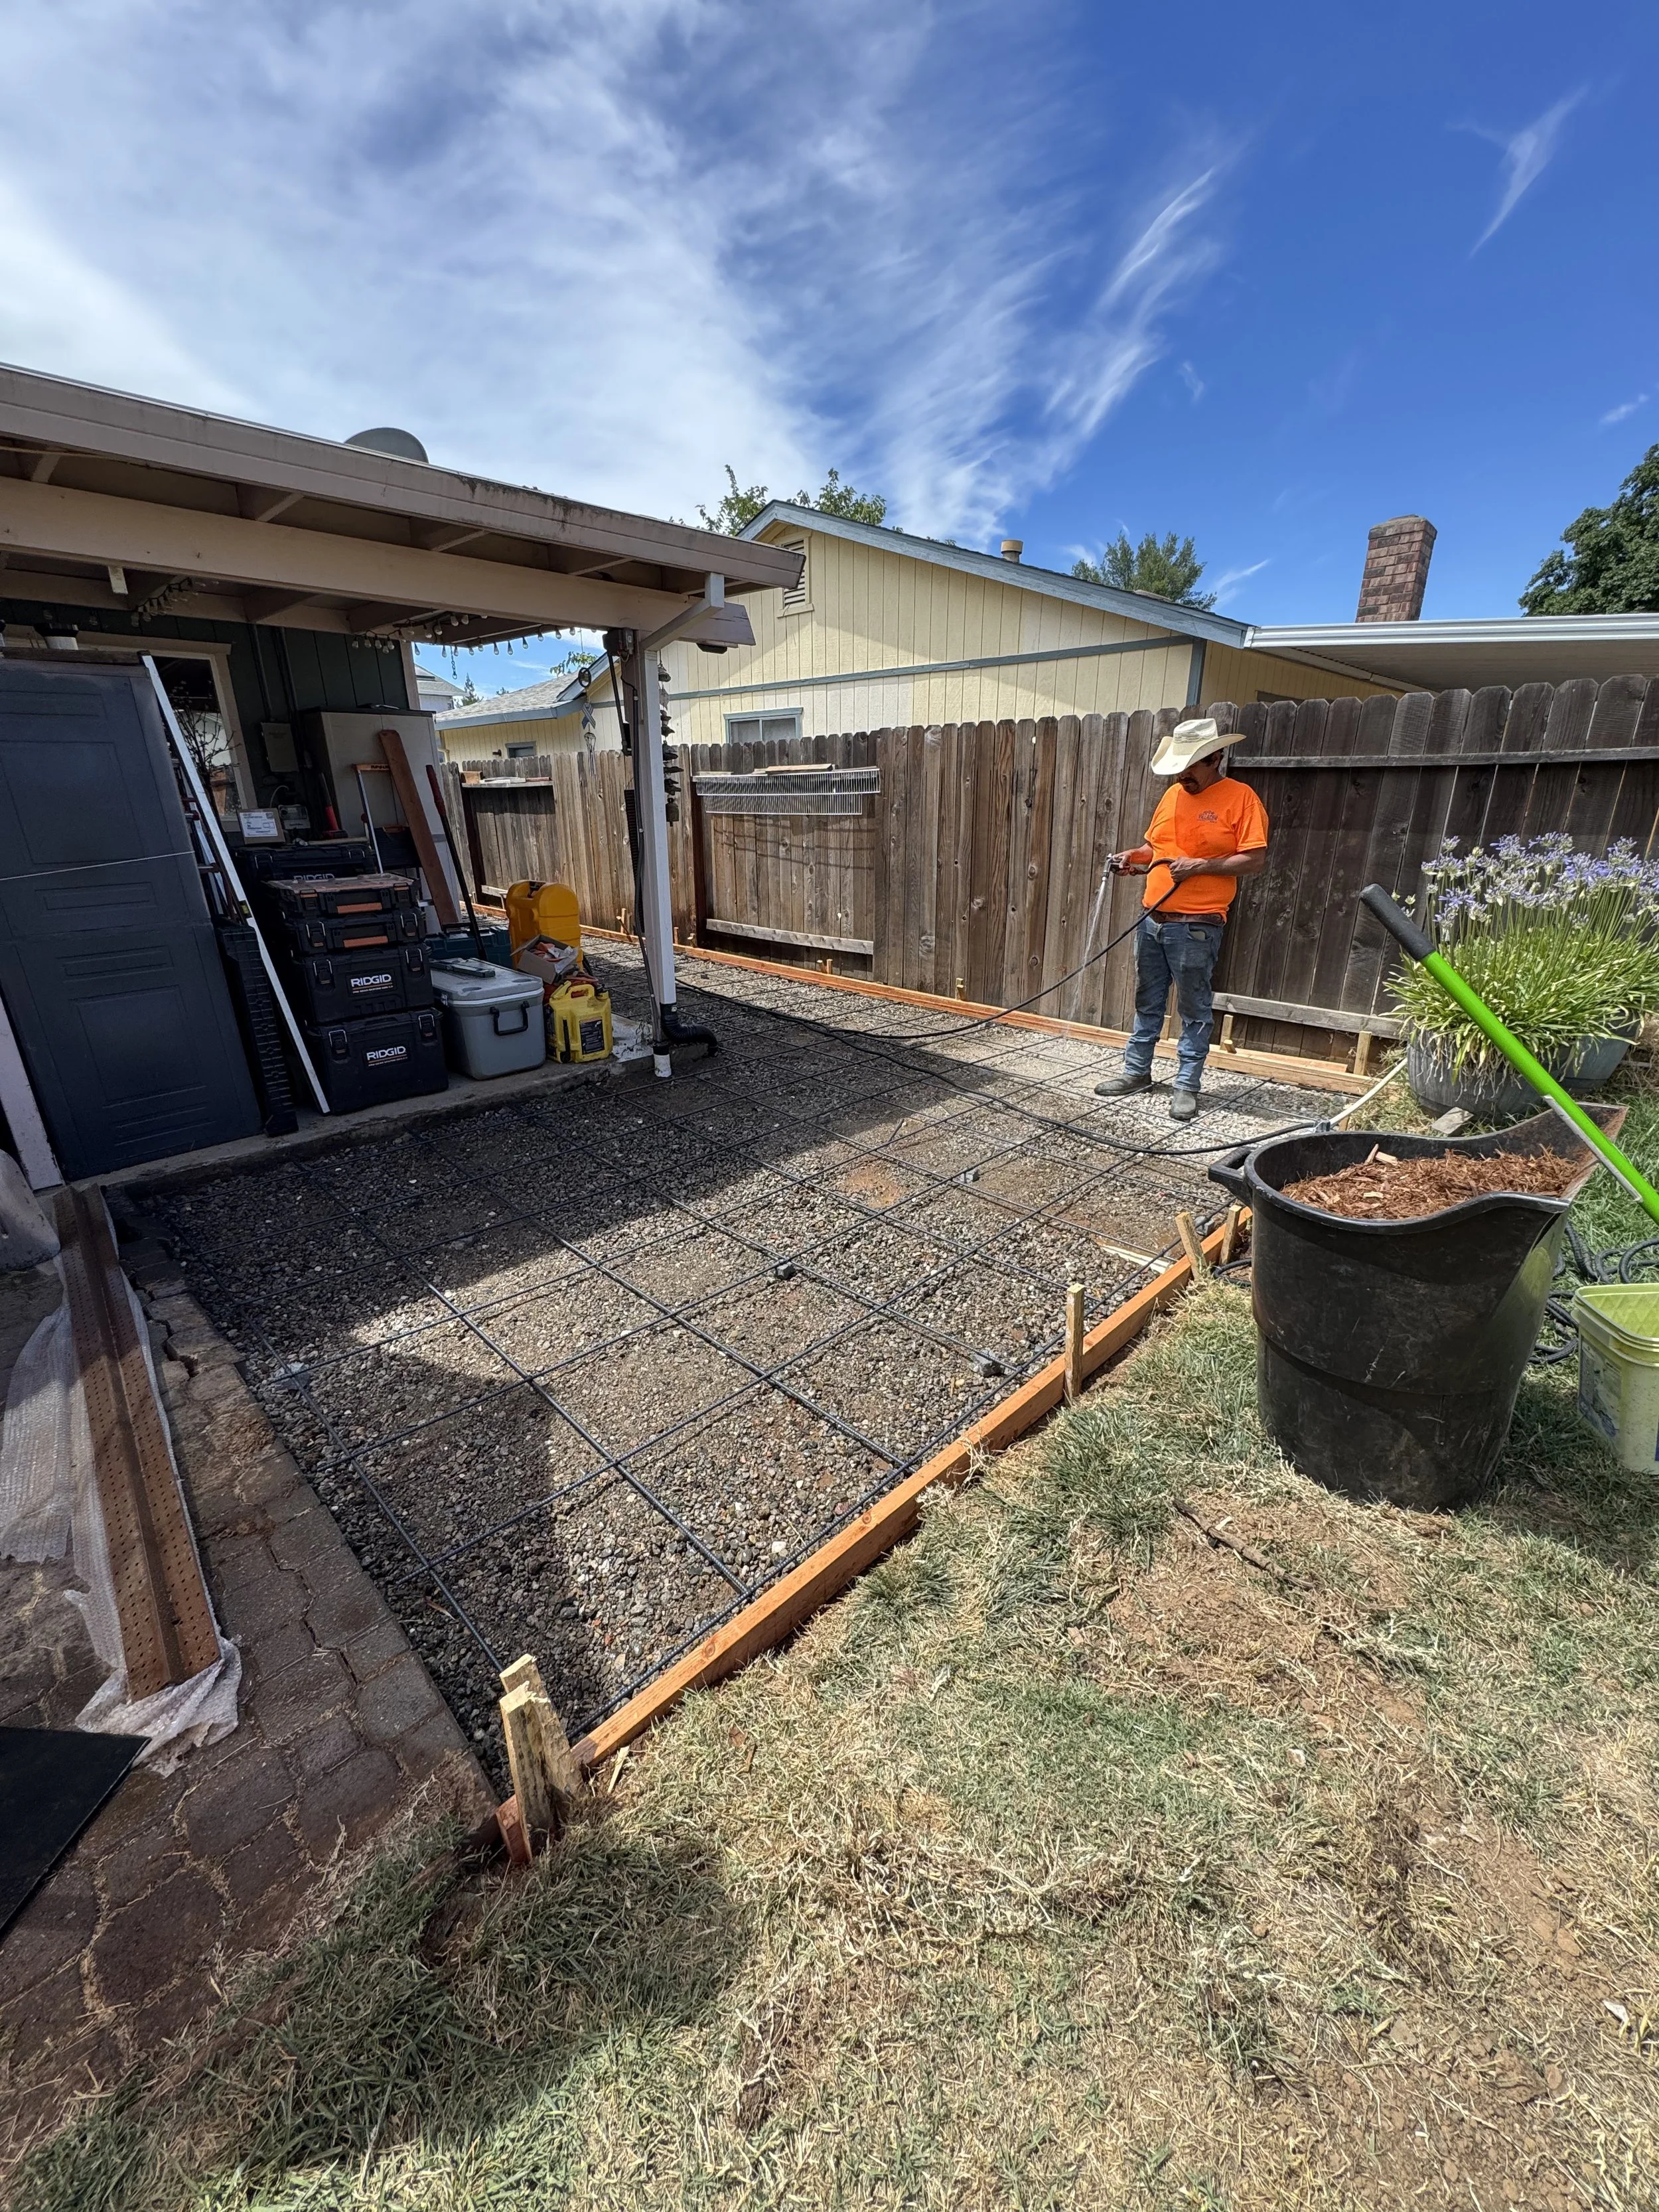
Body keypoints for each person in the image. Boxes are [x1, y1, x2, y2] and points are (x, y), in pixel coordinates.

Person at [1094, 717, 1269, 1122]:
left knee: (1193, 1007)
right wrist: (1130, 858)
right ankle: (1136, 1073)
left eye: (1192, 765)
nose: (1183, 774)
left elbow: (1255, 858)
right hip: (1153, 918)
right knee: (1147, 1000)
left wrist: (1202, 866)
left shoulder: (1241, 799)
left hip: (1197, 925)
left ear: (1215, 758)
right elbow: (1154, 848)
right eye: (1180, 766)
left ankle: (1187, 1086)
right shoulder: (1172, 796)